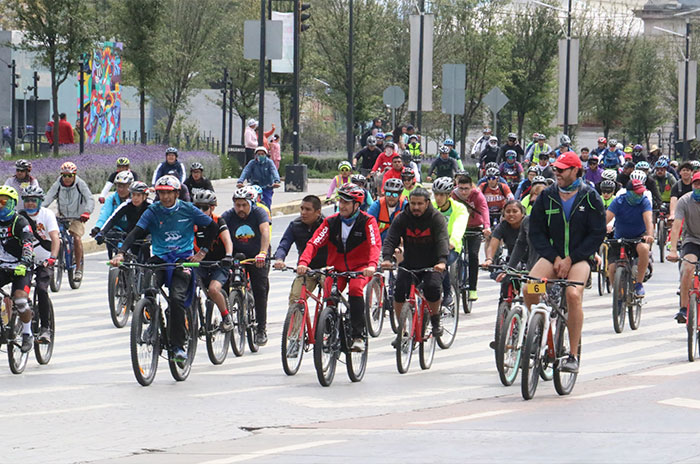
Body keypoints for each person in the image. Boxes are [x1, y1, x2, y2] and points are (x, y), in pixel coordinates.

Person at [111, 175, 217, 362]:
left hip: (182, 260)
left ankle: (177, 346)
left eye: (169, 193)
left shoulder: (188, 209)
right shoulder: (153, 211)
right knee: (148, 288)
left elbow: (212, 228)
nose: (165, 197)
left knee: (177, 298)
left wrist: (203, 252)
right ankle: (152, 322)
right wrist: (121, 253)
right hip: (159, 257)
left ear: (177, 193)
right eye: (161, 193)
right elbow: (136, 231)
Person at [526, 151, 606, 374]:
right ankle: (539, 331)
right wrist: (556, 258)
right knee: (530, 288)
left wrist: (572, 259)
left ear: (575, 171)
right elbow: (537, 232)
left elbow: (597, 234)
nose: (557, 173)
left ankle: (572, 354)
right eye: (555, 169)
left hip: (580, 258)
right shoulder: (546, 196)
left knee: (572, 294)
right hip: (553, 257)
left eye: (562, 169)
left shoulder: (590, 196)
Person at [298, 184, 381, 351]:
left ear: (357, 205)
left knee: (356, 290)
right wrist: (303, 262)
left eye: (346, 202)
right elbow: (314, 243)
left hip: (362, 268)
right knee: (329, 292)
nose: (342, 205)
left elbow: (374, 245)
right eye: (340, 201)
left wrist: (372, 265)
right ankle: (329, 331)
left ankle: (358, 336)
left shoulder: (368, 221)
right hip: (338, 268)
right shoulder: (331, 222)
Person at [381, 187, 449, 341]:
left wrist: (442, 261)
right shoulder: (402, 218)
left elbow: (442, 240)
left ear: (427, 203)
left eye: (419, 204)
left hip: (433, 264)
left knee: (432, 288)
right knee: (399, 292)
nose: (416, 207)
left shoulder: (435, 218)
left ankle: (435, 319)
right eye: (413, 204)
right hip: (409, 264)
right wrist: (386, 258)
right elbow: (391, 238)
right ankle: (402, 331)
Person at [221, 187, 272, 345]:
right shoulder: (228, 215)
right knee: (224, 283)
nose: (240, 209)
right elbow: (219, 232)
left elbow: (265, 232)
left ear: (251, 203)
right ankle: (227, 317)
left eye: (244, 205)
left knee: (260, 289)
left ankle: (261, 329)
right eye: (237, 205)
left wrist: (263, 253)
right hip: (236, 255)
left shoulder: (259, 213)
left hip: (257, 256)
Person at [19, 186, 59, 344]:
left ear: (40, 201)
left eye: (33, 200)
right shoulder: (19, 217)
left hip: (44, 260)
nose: (30, 204)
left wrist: (53, 258)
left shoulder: (47, 215)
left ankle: (45, 328)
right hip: (26, 260)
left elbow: (55, 238)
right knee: (18, 291)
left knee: (42, 289)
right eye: (27, 200)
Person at [44, 162, 94, 281]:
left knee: (76, 238)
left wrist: (87, 212)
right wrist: (39, 210)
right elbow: (48, 197)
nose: (67, 178)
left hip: (78, 217)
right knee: (54, 235)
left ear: (74, 175)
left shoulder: (80, 184)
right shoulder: (58, 184)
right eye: (64, 175)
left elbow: (90, 199)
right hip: (62, 216)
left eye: (70, 176)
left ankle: (78, 268)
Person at [192, 190, 234, 331]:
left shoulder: (218, 221)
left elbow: (228, 240)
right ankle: (194, 321)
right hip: (199, 263)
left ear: (212, 208)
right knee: (187, 288)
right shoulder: (192, 223)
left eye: (205, 208)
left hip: (219, 263)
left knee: (213, 290)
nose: (200, 211)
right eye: (197, 207)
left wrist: (228, 255)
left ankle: (226, 316)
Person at [273, 195, 327, 306]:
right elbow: (284, 245)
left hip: (326, 269)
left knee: (332, 298)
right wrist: (279, 259)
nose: (303, 212)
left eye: (308, 209)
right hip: (305, 269)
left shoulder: (327, 225)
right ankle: (295, 323)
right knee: (295, 300)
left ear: (318, 212)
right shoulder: (295, 225)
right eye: (302, 208)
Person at [0, 186, 35, 351]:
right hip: (2, 266)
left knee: (20, 300)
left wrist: (24, 262)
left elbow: (28, 243)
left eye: (3, 202)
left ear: (12, 204)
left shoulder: (19, 221)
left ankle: (28, 334)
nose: (0, 206)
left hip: (21, 267)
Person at [605, 179, 654, 297]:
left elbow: (649, 220)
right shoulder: (618, 201)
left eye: (641, 192)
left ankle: (639, 284)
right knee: (611, 268)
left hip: (638, 236)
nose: (640, 195)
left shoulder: (644, 202)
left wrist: (650, 235)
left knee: (644, 249)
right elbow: (606, 218)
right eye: (637, 193)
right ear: (629, 192)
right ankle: (618, 295)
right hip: (620, 237)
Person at [452, 173, 491, 301]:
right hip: (459, 229)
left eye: (466, 189)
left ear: (471, 187)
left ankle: (473, 288)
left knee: (473, 256)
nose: (463, 192)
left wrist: (486, 227)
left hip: (475, 228)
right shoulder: (453, 195)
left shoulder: (478, 195)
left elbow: (484, 210)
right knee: (454, 254)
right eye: (461, 188)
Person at [668, 172, 700, 322]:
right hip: (692, 240)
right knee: (687, 268)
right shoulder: (684, 201)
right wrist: (673, 250)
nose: (698, 187)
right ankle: (684, 308)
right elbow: (676, 227)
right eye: (696, 184)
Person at [432, 177, 468, 307]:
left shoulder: (459, 209)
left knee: (442, 263)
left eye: (442, 195)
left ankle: (447, 294)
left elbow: (460, 226)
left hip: (451, 247)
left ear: (449, 195)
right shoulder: (431, 206)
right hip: (432, 245)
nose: (438, 198)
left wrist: (452, 241)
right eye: (436, 194)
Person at [94, 181, 152, 261]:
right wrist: (102, 232)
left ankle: (147, 271)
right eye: (133, 195)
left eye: (138, 195)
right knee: (123, 252)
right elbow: (112, 219)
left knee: (146, 252)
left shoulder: (151, 206)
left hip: (147, 236)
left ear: (145, 196)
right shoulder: (126, 205)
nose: (135, 198)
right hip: (131, 235)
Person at [90, 171, 134, 258]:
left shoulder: (136, 198)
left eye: (124, 186)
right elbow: (105, 214)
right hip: (117, 229)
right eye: (119, 186)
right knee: (109, 238)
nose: (121, 189)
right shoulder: (112, 198)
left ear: (130, 186)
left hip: (133, 229)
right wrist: (98, 228)